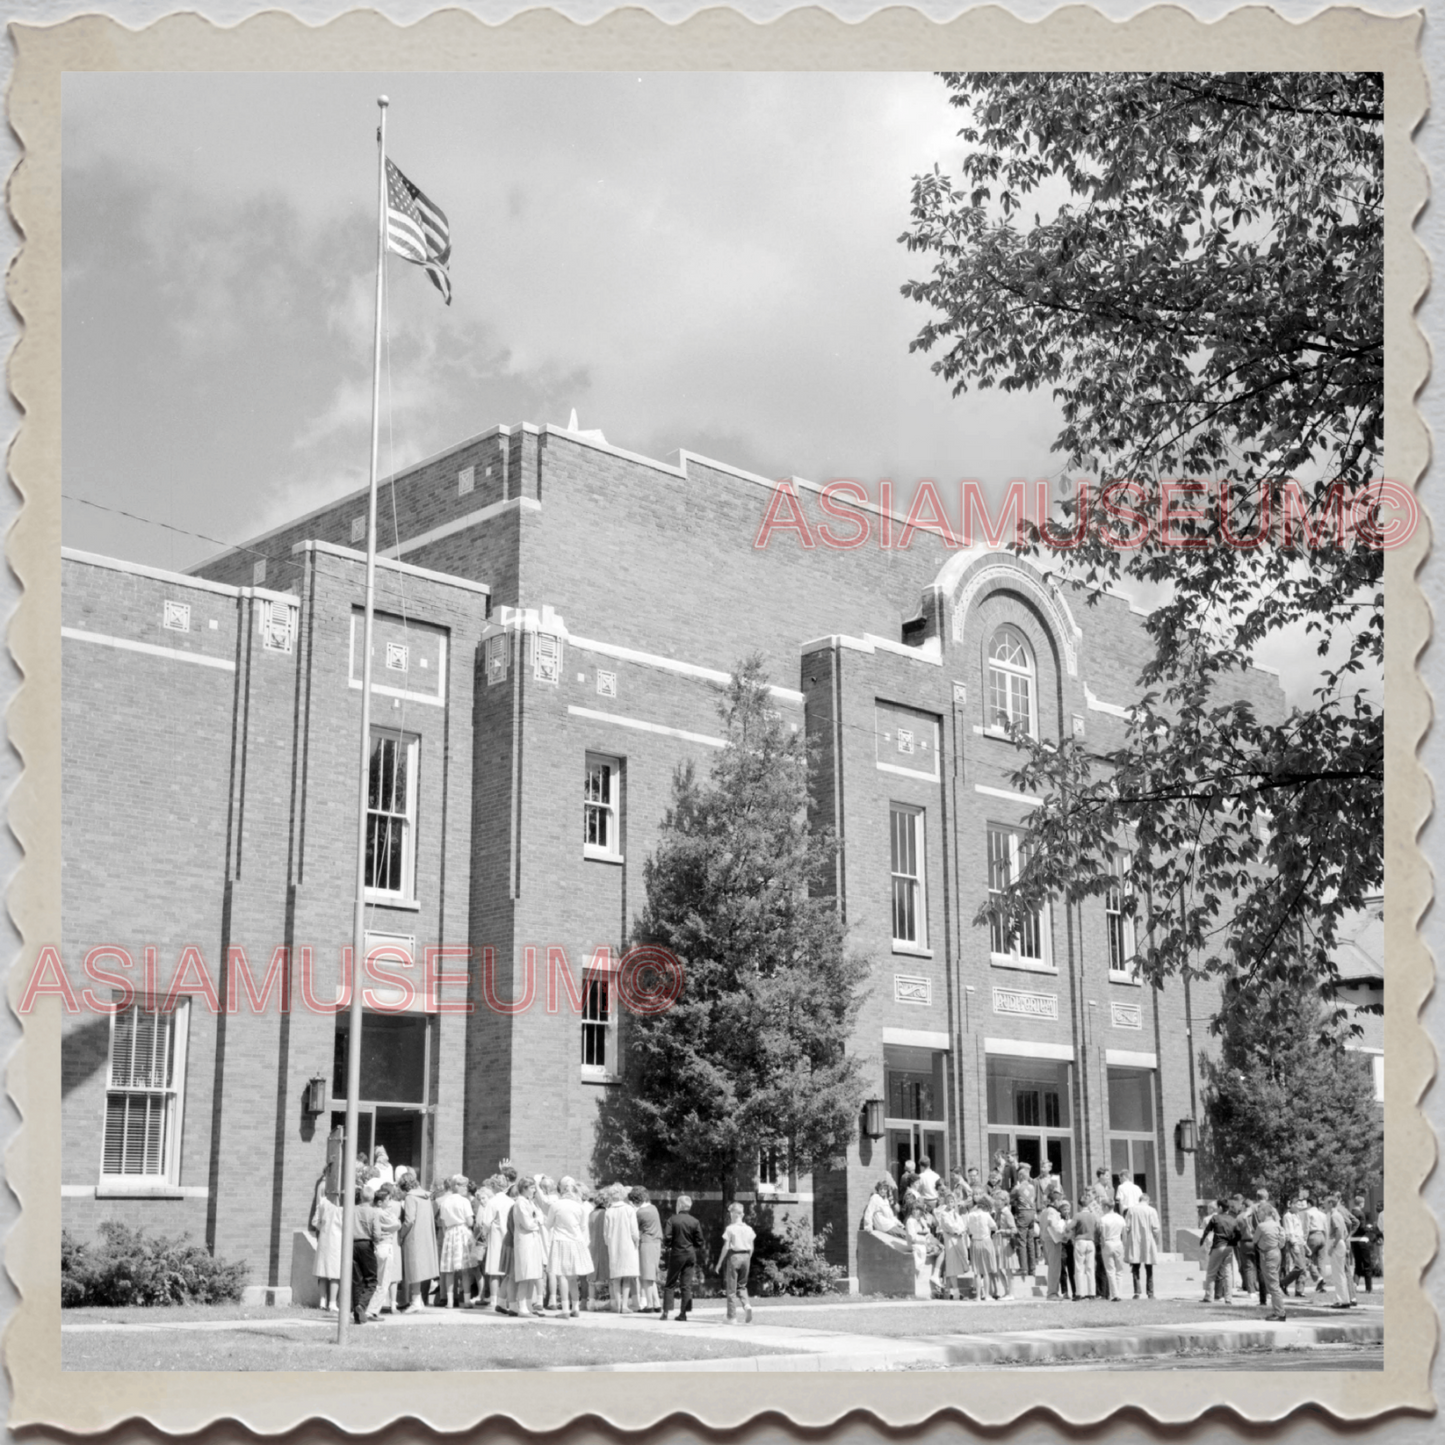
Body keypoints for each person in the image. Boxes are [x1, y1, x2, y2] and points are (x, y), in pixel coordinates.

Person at [545, 1176, 593, 1319]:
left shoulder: (556, 1205)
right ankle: (576, 1307)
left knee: (562, 1277)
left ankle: (565, 1309)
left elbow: (548, 1225)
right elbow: (583, 1228)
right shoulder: (580, 1207)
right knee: (573, 1278)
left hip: (561, 1241)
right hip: (576, 1242)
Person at [397, 1171, 438, 1312]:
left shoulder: (410, 1197)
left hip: (413, 1236)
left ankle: (415, 1301)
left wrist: (400, 1234)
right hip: (425, 1234)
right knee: (419, 1268)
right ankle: (418, 1300)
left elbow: (409, 1220)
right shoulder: (425, 1196)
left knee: (413, 1269)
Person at [661, 1194, 704, 1321]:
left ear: (679, 1205)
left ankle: (665, 1312)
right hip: (690, 1254)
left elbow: (667, 1237)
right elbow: (700, 1240)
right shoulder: (695, 1221)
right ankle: (683, 1313)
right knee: (686, 1285)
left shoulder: (672, 1220)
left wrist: (669, 1245)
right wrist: (693, 1246)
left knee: (670, 1284)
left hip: (677, 1254)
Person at [436, 1173, 475, 1309]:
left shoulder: (445, 1202)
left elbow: (442, 1223)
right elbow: (470, 1222)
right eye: (464, 1185)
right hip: (462, 1232)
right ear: (456, 1186)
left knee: (449, 1270)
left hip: (449, 1233)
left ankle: (450, 1301)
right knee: (465, 1269)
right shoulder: (465, 1201)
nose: (466, 1188)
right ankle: (467, 1300)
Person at [510, 1177, 545, 1316]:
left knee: (533, 1274)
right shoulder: (520, 1203)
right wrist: (538, 1220)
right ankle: (522, 1306)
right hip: (525, 1240)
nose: (534, 1190)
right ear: (524, 1188)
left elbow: (541, 1216)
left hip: (534, 1240)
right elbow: (528, 1223)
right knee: (525, 1274)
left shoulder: (530, 1202)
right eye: (531, 1187)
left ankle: (529, 1305)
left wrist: (538, 1219)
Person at [349, 1185, 384, 1325]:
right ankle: (362, 1306)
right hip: (366, 1244)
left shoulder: (352, 1209)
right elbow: (377, 1234)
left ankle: (358, 1316)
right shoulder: (373, 1212)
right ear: (372, 1198)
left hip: (351, 1245)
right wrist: (376, 1241)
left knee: (356, 1280)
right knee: (372, 1279)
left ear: (360, 1196)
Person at [603, 1182, 641, 1313]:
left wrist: (609, 1244)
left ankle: (618, 1305)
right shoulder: (629, 1209)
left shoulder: (608, 1211)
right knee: (627, 1277)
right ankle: (624, 1305)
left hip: (614, 1246)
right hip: (628, 1246)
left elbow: (606, 1234)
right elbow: (634, 1231)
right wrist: (637, 1242)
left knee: (616, 1278)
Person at [716, 1201, 756, 1323]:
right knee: (742, 1286)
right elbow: (752, 1247)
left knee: (731, 1289)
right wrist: (748, 1258)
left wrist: (719, 1263)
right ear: (742, 1214)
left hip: (734, 1257)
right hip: (746, 1257)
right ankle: (747, 1305)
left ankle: (731, 1317)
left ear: (733, 1214)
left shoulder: (730, 1228)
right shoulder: (749, 1229)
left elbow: (726, 1247)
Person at [310, 1172, 343, 1312]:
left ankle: (322, 1301)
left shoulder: (322, 1203)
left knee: (323, 1272)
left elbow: (315, 1222)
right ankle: (332, 1302)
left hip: (324, 1239)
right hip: (337, 1240)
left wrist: (323, 1228)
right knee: (335, 1274)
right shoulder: (341, 1208)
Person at [483, 1173, 515, 1314]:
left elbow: (486, 1222)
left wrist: (484, 1234)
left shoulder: (492, 1201)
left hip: (496, 1237)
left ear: (494, 1186)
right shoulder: (511, 1201)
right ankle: (507, 1299)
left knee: (495, 1271)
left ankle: (494, 1300)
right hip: (508, 1237)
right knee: (507, 1271)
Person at [1253, 1202, 1288, 1321]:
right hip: (1276, 1253)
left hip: (1267, 1255)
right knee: (1274, 1283)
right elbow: (1283, 1239)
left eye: (1258, 1213)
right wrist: (1278, 1245)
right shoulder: (1277, 1225)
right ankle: (1277, 1311)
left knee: (1273, 1285)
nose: (1258, 1215)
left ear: (1263, 1213)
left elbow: (1254, 1240)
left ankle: (1280, 1313)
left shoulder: (1261, 1226)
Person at [1123, 1190, 1161, 1299]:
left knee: (1135, 1267)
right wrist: (1156, 1239)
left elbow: (1127, 1226)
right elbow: (1156, 1228)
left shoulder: (1131, 1210)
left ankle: (1137, 1291)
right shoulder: (1151, 1210)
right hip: (1148, 1240)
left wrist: (1126, 1241)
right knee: (1149, 1267)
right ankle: (1150, 1292)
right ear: (1147, 1200)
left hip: (1135, 1240)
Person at [1200, 1197, 1238, 1304]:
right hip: (1229, 1247)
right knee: (1228, 1273)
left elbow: (1207, 1231)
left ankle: (1209, 1296)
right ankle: (1228, 1298)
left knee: (1211, 1272)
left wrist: (1203, 1240)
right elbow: (1238, 1233)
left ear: (1220, 1207)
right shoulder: (1233, 1219)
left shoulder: (1215, 1218)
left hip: (1218, 1246)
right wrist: (1233, 1242)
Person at [964, 1193, 1001, 1302]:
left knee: (976, 1271)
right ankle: (987, 1295)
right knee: (986, 1271)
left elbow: (968, 1229)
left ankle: (978, 1296)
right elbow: (994, 1226)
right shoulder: (986, 1215)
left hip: (975, 1242)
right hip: (985, 1241)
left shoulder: (970, 1215)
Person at [374, 1181, 404, 1313]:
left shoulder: (377, 1208)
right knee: (394, 1275)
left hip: (381, 1240)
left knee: (380, 1274)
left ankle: (378, 1304)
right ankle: (393, 1304)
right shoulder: (398, 1205)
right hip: (395, 1239)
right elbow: (402, 1222)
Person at [633, 1186, 663, 1312]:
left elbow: (635, 1229)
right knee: (651, 1276)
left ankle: (649, 1305)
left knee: (645, 1276)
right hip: (657, 1243)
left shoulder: (640, 1212)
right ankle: (656, 1304)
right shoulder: (653, 1208)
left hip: (647, 1243)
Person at [1325, 1193, 1355, 1308]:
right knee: (1340, 1273)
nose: (1324, 1205)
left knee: (1338, 1274)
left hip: (1336, 1244)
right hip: (1340, 1243)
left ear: (1331, 1204)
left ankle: (1342, 1300)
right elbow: (1345, 1232)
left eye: (1326, 1203)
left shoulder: (1334, 1216)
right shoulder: (1337, 1215)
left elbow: (1338, 1232)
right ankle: (1344, 1299)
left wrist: (1333, 1246)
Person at [1010, 1163, 1038, 1277]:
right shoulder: (1032, 1187)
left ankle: (1023, 1268)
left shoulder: (1018, 1187)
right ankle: (1032, 1268)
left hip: (1022, 1214)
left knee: (1022, 1241)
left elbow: (1010, 1197)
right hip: (1032, 1213)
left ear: (1020, 1177)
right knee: (1030, 1241)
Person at [1098, 1197, 1127, 1301]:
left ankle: (1114, 1294)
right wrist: (1124, 1245)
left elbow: (1103, 1235)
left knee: (1110, 1270)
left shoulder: (1104, 1219)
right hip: (1118, 1242)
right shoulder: (1120, 1218)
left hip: (1108, 1242)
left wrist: (1102, 1246)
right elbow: (1124, 1234)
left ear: (1106, 1207)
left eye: (1102, 1206)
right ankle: (1118, 1293)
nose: (1101, 1208)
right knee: (1119, 1270)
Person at [1041, 1192, 1068, 1300]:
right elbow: (1054, 1225)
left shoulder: (1045, 1211)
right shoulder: (1052, 1212)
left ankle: (1053, 1292)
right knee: (1054, 1267)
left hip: (1048, 1240)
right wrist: (1063, 1233)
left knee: (1054, 1266)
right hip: (1053, 1240)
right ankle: (1052, 1293)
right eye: (1060, 1200)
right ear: (1056, 1201)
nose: (1061, 1203)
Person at [1350, 1194, 1377, 1294]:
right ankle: (1368, 1288)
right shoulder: (1361, 1214)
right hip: (1362, 1240)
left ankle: (1354, 1284)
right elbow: (1361, 1228)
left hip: (1353, 1240)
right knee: (1367, 1265)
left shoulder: (1351, 1213)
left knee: (1357, 1264)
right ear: (1361, 1203)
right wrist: (1369, 1228)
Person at [1072, 1193, 1097, 1299]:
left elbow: (1069, 1227)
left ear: (1079, 1205)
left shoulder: (1078, 1215)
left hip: (1080, 1241)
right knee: (1090, 1268)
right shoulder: (1093, 1215)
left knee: (1079, 1268)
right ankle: (1092, 1293)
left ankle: (1080, 1293)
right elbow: (1097, 1227)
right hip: (1090, 1241)